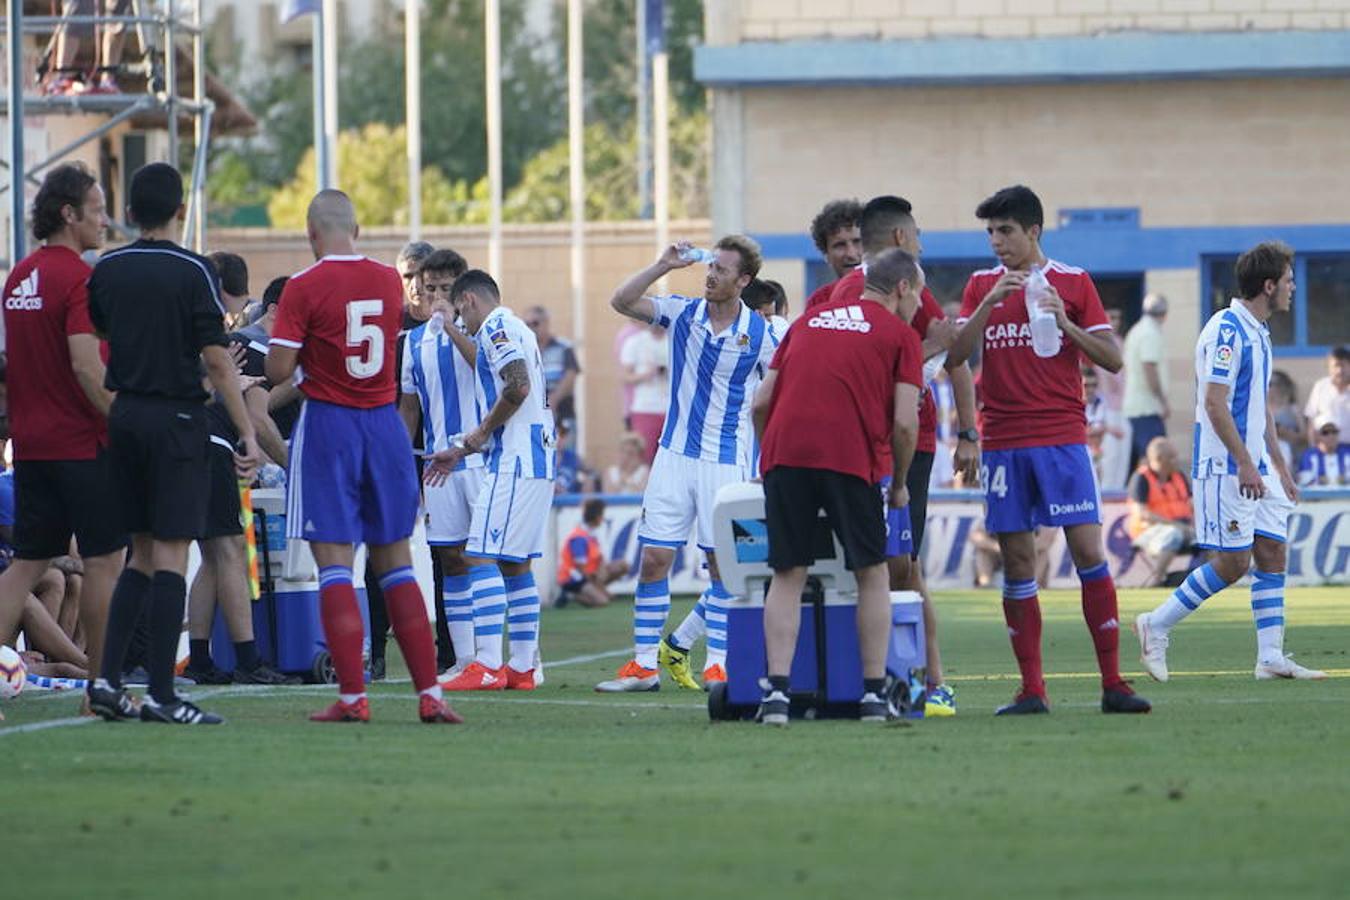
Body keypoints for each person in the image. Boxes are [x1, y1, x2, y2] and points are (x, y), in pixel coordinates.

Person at [948, 184, 1150, 715]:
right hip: (1004, 443)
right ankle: (1032, 689)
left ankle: (1113, 682)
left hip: (1061, 438)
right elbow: (958, 356)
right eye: (990, 232)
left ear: (1033, 231)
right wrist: (988, 304)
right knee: (1017, 562)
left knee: (1087, 552)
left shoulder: (1073, 281)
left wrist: (1065, 323)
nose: (997, 242)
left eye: (1006, 231)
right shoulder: (979, 286)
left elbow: (1111, 358)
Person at [265, 189, 461, 724]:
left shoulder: (304, 286)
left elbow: (279, 371)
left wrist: (302, 348)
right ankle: (430, 694)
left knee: (335, 568)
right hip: (384, 427)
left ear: (311, 234)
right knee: (397, 565)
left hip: (329, 426)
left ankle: (353, 697)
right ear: (357, 229)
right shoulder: (383, 279)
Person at [83, 162, 260, 725]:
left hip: (126, 415)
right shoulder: (192, 271)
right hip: (178, 419)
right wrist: (247, 430)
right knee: (172, 555)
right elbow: (215, 356)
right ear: (180, 209)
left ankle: (109, 681)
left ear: (129, 212)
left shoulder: (108, 268)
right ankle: (161, 691)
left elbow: (103, 330)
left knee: (140, 552)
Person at [813, 195, 980, 717]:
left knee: (901, 564)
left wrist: (969, 432)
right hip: (855, 444)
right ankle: (865, 676)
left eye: (854, 242)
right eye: (838, 245)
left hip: (915, 442)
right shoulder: (833, 298)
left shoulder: (911, 286)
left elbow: (953, 358)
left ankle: (931, 681)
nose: (847, 253)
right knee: (862, 565)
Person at [1135, 241, 1325, 682]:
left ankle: (1270, 657)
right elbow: (1215, 404)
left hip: (1256, 463)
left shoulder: (1259, 329)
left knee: (1273, 549)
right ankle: (1155, 624)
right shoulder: (1227, 330)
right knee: (1233, 563)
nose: (1294, 287)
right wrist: (1244, 462)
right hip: (1226, 465)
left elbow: (1259, 405)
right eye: (1290, 280)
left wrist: (1278, 465)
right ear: (1269, 284)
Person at [595, 236, 777, 693]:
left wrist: (769, 456)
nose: (711, 274)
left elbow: (784, 393)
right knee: (655, 559)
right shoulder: (681, 312)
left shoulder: (764, 334)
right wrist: (662, 265)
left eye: (722, 269)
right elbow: (621, 300)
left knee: (723, 566)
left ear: (744, 280)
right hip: (673, 456)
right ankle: (643, 666)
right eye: (710, 266)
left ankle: (718, 664)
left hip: (726, 462)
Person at [752, 247, 923, 725]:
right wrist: (901, 485)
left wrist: (772, 458)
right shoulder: (900, 335)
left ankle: (777, 695)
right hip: (850, 458)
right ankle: (872, 693)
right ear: (902, 287)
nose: (919, 307)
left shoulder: (808, 321)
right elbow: (906, 425)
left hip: (786, 455)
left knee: (787, 572)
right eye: (919, 295)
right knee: (872, 572)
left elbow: (761, 402)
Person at [427, 271, 556, 692]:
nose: (461, 321)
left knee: (478, 555)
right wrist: (465, 448)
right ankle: (520, 668)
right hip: (534, 460)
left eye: (460, 310)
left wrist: (480, 433)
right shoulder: (516, 327)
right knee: (515, 564)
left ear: (467, 300)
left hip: (516, 461)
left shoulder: (498, 326)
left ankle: (486, 663)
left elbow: (516, 386)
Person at [395, 247, 480, 687]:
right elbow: (409, 408)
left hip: (482, 458)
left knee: (489, 558)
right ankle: (465, 660)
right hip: (439, 464)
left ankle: (514, 656)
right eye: (430, 289)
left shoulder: (481, 329)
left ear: (463, 291)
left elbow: (487, 371)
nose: (436, 297)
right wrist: (394, 454)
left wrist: (450, 326)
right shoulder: (411, 342)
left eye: (446, 288)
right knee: (450, 557)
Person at [1127, 437, 1195, 588]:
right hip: (1148, 532)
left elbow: (1192, 505)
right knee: (1172, 534)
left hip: (1183, 528)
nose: (1177, 460)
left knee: (1210, 539)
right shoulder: (1141, 478)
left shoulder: (1179, 476)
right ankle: (1157, 580)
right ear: (1159, 459)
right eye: (1172, 457)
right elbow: (1144, 514)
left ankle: (1202, 580)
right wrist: (1178, 526)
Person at [1122, 292, 1171, 471]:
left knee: (1142, 461)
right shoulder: (1150, 333)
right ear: (1164, 314)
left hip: (1135, 406)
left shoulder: (1136, 330)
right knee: (1155, 460)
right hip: (1147, 407)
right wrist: (1162, 401)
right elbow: (1149, 367)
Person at [556, 498, 629, 609]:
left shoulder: (590, 533)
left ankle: (594, 591)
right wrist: (602, 589)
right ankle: (573, 595)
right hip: (574, 579)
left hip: (590, 574)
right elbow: (581, 570)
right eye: (601, 515)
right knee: (602, 602)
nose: (603, 518)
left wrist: (600, 571)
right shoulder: (579, 537)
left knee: (622, 565)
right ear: (596, 517)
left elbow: (599, 559)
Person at [619, 323, 669, 464]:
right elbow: (625, 377)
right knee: (643, 457)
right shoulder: (635, 342)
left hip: (671, 408)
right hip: (645, 408)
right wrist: (647, 374)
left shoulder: (673, 341)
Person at [526, 306, 581, 433]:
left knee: (565, 451)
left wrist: (553, 399)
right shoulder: (525, 350)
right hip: (535, 416)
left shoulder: (564, 347)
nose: (531, 328)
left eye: (535, 323)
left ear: (546, 323)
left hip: (562, 411)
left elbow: (571, 375)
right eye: (527, 324)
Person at [803, 199, 863, 309]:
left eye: (857, 242)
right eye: (840, 245)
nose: (851, 254)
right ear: (826, 255)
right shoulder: (818, 302)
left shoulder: (895, 296)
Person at [1095, 306, 1131, 489]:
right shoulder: (1098, 341)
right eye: (1111, 317)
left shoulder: (1121, 342)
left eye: (1117, 318)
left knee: (1122, 454)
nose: (1115, 322)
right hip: (1107, 406)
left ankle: (1117, 491)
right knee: (1109, 455)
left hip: (1123, 406)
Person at [1084, 366, 1126, 486]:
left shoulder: (1099, 402)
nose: (1090, 389)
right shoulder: (1073, 403)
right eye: (1086, 385)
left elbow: (1095, 427)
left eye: (1094, 385)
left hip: (1094, 449)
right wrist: (1107, 429)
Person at [1302, 346, 1350, 446]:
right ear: (1329, 367)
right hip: (1324, 450)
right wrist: (1313, 447)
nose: (1340, 370)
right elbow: (1311, 419)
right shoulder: (1320, 387)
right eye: (1336, 366)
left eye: (1343, 365)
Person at [1297, 415, 1350, 486]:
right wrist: (1323, 480)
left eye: (1334, 432)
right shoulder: (1309, 455)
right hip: (1318, 497)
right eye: (1325, 432)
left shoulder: (1347, 453)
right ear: (1318, 435)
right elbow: (1304, 479)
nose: (1331, 436)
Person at [1269, 369, 1305, 467]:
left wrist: (1286, 433)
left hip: (1290, 457)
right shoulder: (1261, 408)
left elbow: (1304, 437)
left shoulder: (1294, 409)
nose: (1268, 387)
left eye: (1271, 384)